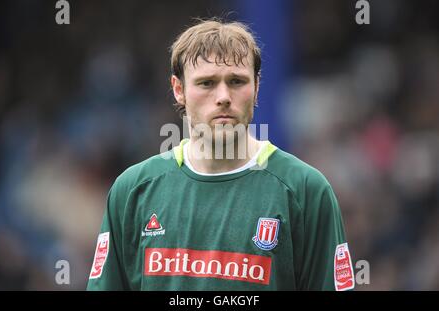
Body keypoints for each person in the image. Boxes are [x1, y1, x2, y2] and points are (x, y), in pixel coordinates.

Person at [87, 18, 354, 291]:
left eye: (237, 81)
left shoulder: (305, 191)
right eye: (206, 83)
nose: (224, 96)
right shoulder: (133, 190)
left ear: (257, 86)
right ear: (179, 90)